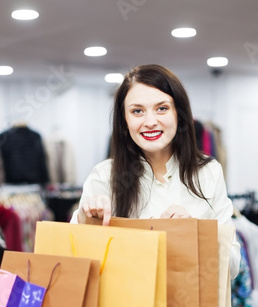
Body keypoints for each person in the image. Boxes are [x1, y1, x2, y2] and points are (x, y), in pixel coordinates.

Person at [70, 64, 240, 279]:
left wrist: (195, 233)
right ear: (124, 121)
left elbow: (232, 267)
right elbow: (76, 262)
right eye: (137, 111)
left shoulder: (208, 172)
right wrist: (87, 221)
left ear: (179, 114)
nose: (150, 122)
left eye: (162, 108)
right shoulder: (105, 175)